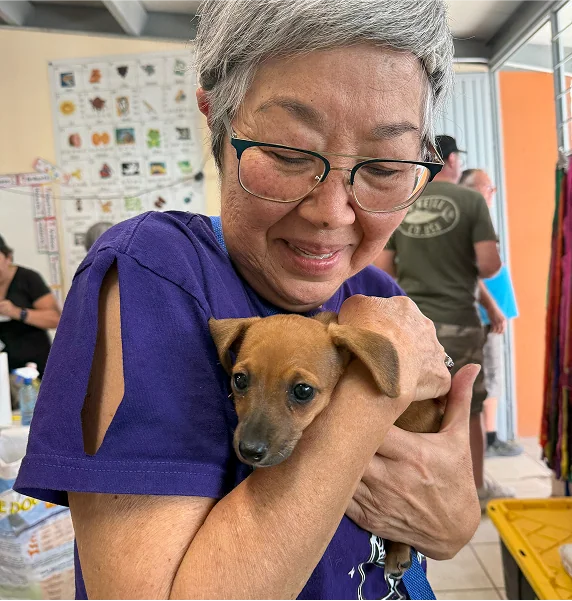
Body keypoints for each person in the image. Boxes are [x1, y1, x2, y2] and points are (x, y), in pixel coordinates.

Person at [14, 2, 481, 599]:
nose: (332, 213)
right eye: (288, 153)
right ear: (216, 119)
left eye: (386, 168)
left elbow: (450, 527)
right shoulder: (157, 272)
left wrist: (453, 518)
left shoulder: (377, 295)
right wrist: (375, 389)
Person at [375, 135, 514, 511]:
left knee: (417, 406)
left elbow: (383, 271)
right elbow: (490, 266)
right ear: (451, 160)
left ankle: (421, 492)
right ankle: (475, 491)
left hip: (415, 326)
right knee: (468, 406)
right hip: (460, 323)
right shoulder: (470, 201)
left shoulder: (403, 201)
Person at [459, 168, 522, 457]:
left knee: (489, 376)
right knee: (487, 376)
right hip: (483, 316)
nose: (491, 192)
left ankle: (487, 438)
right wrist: (492, 309)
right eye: (487, 187)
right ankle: (486, 441)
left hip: (489, 314)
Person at [0, 234, 60, 380]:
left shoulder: (28, 279)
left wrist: (17, 312)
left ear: (8, 258)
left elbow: (56, 319)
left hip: (34, 367)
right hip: (5, 368)